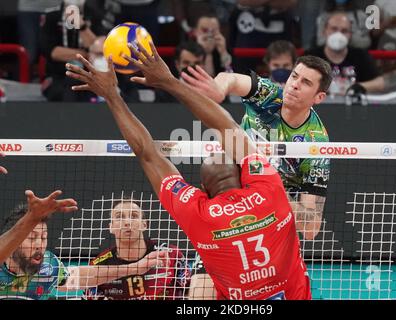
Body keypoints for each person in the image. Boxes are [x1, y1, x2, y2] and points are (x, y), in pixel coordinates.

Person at [65, 42, 311, 300]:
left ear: (204, 190)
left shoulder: (200, 212)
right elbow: (225, 125)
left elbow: (147, 154)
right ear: (243, 174)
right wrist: (169, 81)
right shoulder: (269, 188)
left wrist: (113, 96)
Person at [180, 58, 331, 241]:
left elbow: (311, 228)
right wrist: (220, 89)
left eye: (306, 83)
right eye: (294, 76)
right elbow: (231, 79)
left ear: (319, 97)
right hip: (227, 205)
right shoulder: (268, 95)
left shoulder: (316, 144)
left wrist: (270, 188)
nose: (294, 85)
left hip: (268, 221)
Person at [0, 191, 169, 300]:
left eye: (44, 238)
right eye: (32, 238)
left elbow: (82, 275)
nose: (40, 245)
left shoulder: (49, 267)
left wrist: (135, 268)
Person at [84, 199, 191, 300]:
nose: (127, 222)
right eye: (119, 217)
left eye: (134, 216)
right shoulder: (98, 266)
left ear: (144, 225)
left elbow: (193, 292)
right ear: (111, 227)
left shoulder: (171, 254)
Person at [306, 12, 385, 95]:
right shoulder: (311, 56)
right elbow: (296, 81)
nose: (338, 34)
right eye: (334, 29)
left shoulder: (360, 56)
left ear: (350, 35)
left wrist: (356, 87)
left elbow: (380, 83)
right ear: (324, 31)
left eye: (344, 31)